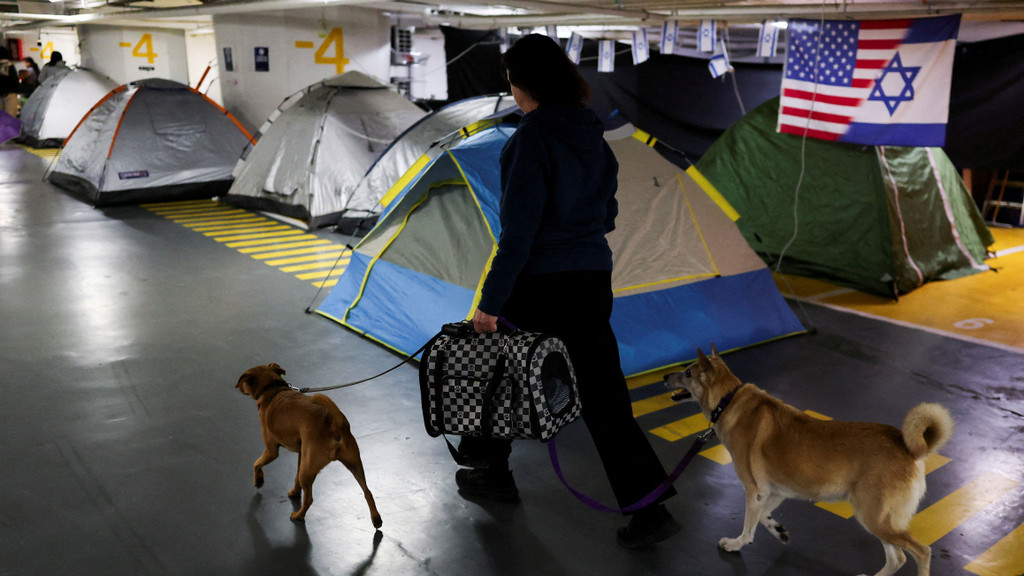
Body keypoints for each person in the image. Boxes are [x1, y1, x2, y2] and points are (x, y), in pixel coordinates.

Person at [455, 33, 681, 550]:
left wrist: (490, 305)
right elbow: (607, 214)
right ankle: (649, 509)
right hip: (592, 280)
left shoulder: (531, 138)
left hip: (541, 282)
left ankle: (491, 472)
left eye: (511, 81)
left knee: (498, 374)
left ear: (524, 83)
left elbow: (518, 234)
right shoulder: (592, 134)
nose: (511, 91)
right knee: (605, 398)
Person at [0, 47, 19, 116]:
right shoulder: (9, 65)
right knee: (10, 116)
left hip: (1, 94)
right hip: (10, 93)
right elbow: (14, 79)